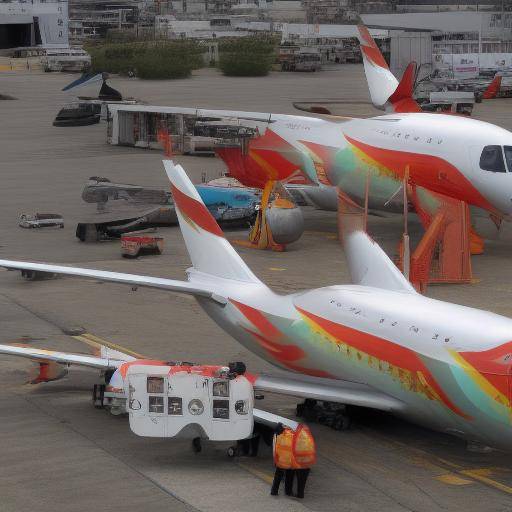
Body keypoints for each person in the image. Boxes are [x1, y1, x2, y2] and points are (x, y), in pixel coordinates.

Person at [270, 423, 295, 496]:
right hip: (290, 460)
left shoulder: (278, 435)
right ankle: (288, 492)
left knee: (278, 476)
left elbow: (275, 448)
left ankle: (274, 491)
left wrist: (275, 459)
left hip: (281, 459)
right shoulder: (291, 434)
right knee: (290, 476)